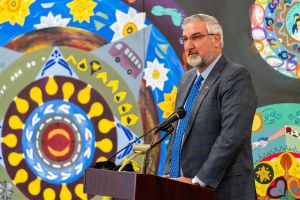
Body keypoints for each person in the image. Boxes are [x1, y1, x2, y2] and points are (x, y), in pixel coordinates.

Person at [164, 14, 257, 200]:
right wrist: (170, 175)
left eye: (196, 37)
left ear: (216, 39)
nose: (189, 45)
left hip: (223, 192)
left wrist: (198, 181)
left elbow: (232, 137)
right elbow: (178, 131)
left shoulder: (235, 76)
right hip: (182, 188)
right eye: (185, 39)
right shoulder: (187, 79)